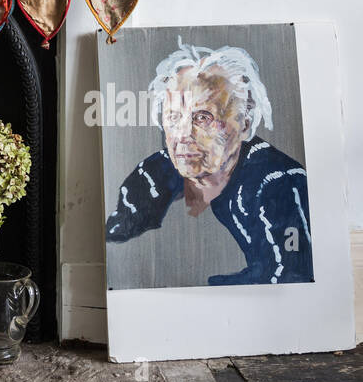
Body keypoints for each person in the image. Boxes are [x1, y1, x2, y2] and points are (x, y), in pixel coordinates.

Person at [106, 42, 312, 284]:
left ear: (244, 123)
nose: (183, 134)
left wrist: (211, 291)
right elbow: (108, 234)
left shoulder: (278, 184)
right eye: (173, 117)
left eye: (202, 117)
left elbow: (293, 275)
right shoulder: (156, 173)